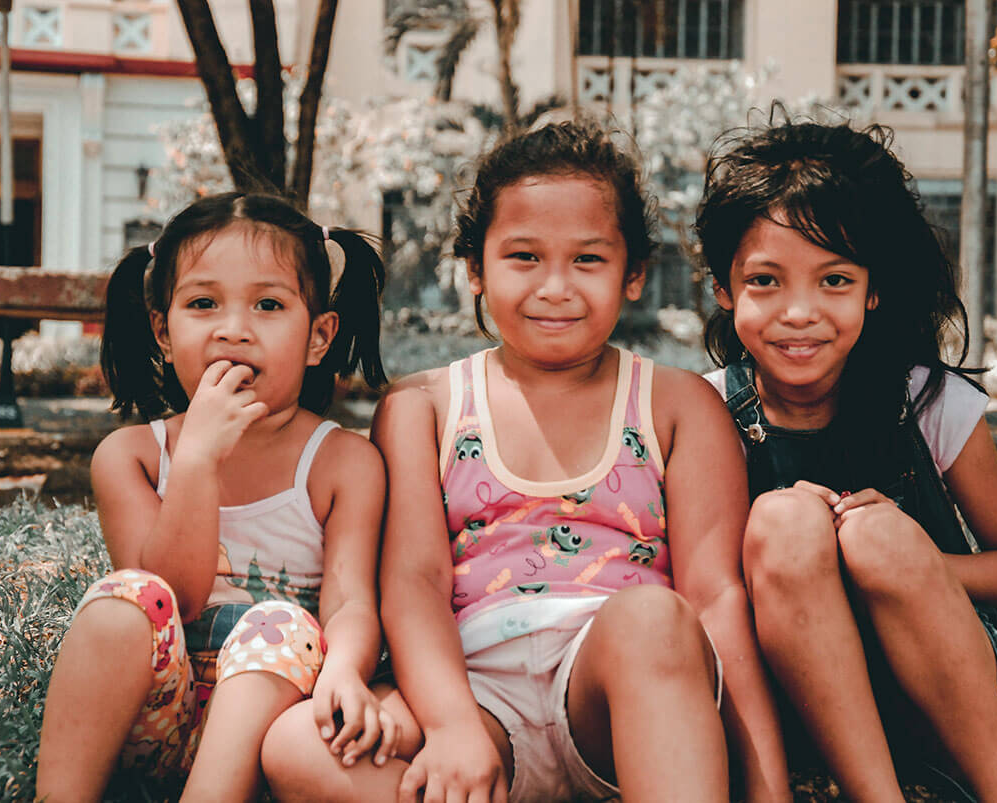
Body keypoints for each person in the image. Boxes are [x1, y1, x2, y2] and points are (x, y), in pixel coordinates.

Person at [261, 121, 791, 802]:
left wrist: (770, 789)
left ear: (632, 275)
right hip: (474, 695)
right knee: (297, 744)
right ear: (475, 269)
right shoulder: (424, 406)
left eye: (588, 260)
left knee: (653, 616)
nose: (555, 287)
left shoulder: (676, 404)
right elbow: (416, 582)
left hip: (620, 691)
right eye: (523, 257)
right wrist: (451, 725)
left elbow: (716, 600)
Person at [695, 117, 997, 802]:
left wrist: (899, 561)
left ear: (873, 288)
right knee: (785, 522)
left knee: (878, 533)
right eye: (766, 280)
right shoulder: (704, 414)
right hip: (794, 701)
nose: (800, 312)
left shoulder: (928, 401)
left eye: (834, 279)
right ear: (721, 286)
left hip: (949, 697)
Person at [36, 192, 395, 802]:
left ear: (318, 337)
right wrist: (197, 461)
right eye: (203, 303)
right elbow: (172, 594)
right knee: (121, 599)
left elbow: (352, 601)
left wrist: (343, 671)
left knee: (277, 622)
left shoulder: (343, 462)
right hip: (160, 719)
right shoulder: (133, 458)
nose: (234, 328)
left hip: (274, 728)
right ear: (164, 332)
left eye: (268, 304)